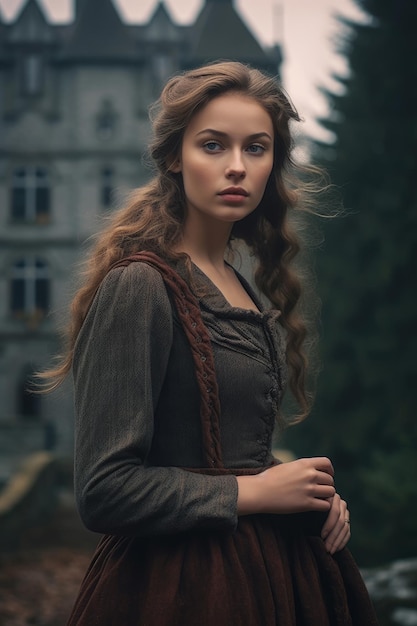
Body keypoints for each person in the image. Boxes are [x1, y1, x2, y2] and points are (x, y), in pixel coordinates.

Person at [42, 61, 378, 625]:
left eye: (257, 148)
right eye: (214, 146)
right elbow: (104, 491)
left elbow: (230, 452)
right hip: (180, 589)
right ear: (175, 157)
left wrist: (309, 499)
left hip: (275, 574)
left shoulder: (236, 283)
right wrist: (258, 494)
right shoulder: (140, 284)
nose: (237, 168)